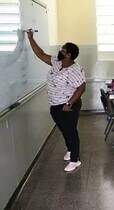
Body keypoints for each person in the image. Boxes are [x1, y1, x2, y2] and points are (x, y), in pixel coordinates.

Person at [26, 29, 86, 172]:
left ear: (69, 55)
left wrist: (69, 103)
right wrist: (30, 38)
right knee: (64, 130)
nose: (60, 50)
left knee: (70, 131)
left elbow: (81, 87)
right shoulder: (57, 62)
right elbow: (40, 54)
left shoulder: (74, 69)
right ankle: (71, 150)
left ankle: (75, 160)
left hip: (68, 106)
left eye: (63, 50)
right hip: (55, 105)